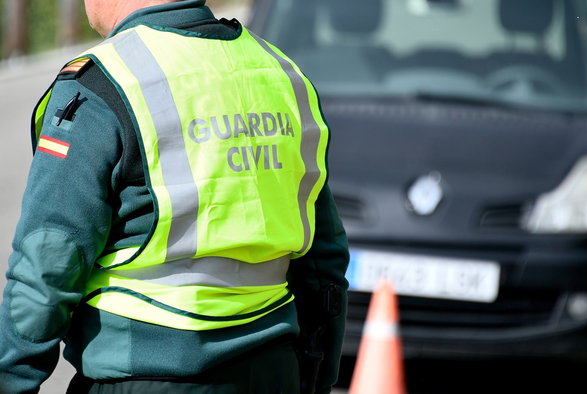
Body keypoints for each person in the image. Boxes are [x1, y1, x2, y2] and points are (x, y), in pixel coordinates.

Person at [0, 0, 349, 393]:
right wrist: (313, 375)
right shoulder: (281, 73)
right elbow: (325, 261)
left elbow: (46, 268)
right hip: (272, 369)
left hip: (144, 375)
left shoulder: (104, 82)